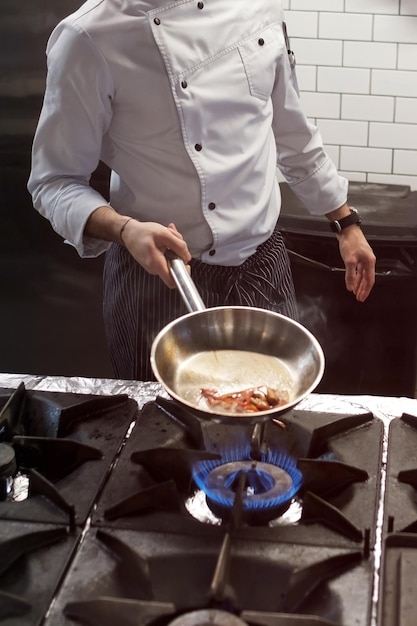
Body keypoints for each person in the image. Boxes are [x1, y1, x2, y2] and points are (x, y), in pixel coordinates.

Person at [28, 0, 376, 381]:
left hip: (263, 267)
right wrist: (124, 229)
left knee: (270, 418)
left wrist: (346, 223)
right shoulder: (88, 37)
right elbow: (55, 181)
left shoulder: (258, 7)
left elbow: (292, 133)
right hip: (160, 280)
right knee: (158, 431)